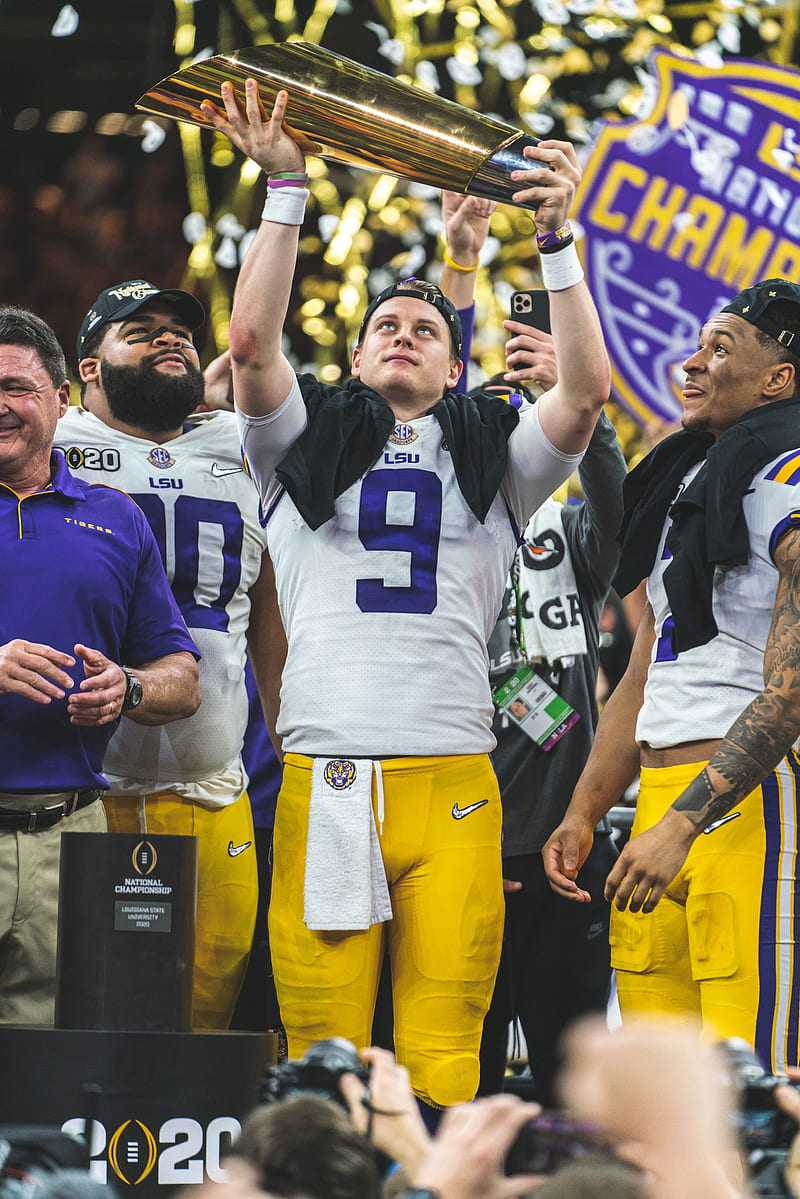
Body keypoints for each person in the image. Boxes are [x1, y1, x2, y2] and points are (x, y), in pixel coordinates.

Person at [202, 80, 610, 1108]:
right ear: (352, 356)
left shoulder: (494, 459)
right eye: (384, 322)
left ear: (454, 362)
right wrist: (285, 191)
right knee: (322, 1059)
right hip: (330, 773)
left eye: (425, 327)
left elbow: (583, 394)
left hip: (454, 779)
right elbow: (249, 346)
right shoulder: (297, 443)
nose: (402, 333)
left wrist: (555, 241)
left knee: (444, 1055)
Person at [544, 279, 800, 1071]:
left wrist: (684, 823)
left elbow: (792, 690)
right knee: (660, 1093)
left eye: (720, 348)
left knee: (754, 1091)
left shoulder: (788, 473)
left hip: (746, 806)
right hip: (657, 804)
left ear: (779, 378)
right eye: (698, 345)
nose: (691, 364)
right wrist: (585, 809)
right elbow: (646, 670)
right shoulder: (697, 477)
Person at [56, 281, 286, 1030]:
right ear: (88, 369)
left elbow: (269, 618)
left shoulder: (242, 446)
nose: (169, 339)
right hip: (81, 796)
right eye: (140, 331)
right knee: (74, 1022)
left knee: (203, 1028)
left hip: (213, 791)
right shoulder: (49, 443)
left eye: (181, 331)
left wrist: (291, 743)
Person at [437, 191, 624, 1103]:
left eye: (533, 412)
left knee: (569, 1071)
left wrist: (589, 409)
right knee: (460, 1062)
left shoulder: (570, 529)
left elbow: (625, 519)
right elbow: (428, 422)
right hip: (458, 829)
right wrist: (459, 263)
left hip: (564, 837)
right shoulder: (441, 525)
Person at [0, 305, 199, 1025]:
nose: (0, 404)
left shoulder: (117, 518)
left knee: (52, 1056)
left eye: (17, 387)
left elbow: (182, 675)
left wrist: (131, 686)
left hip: (71, 837)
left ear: (62, 399)